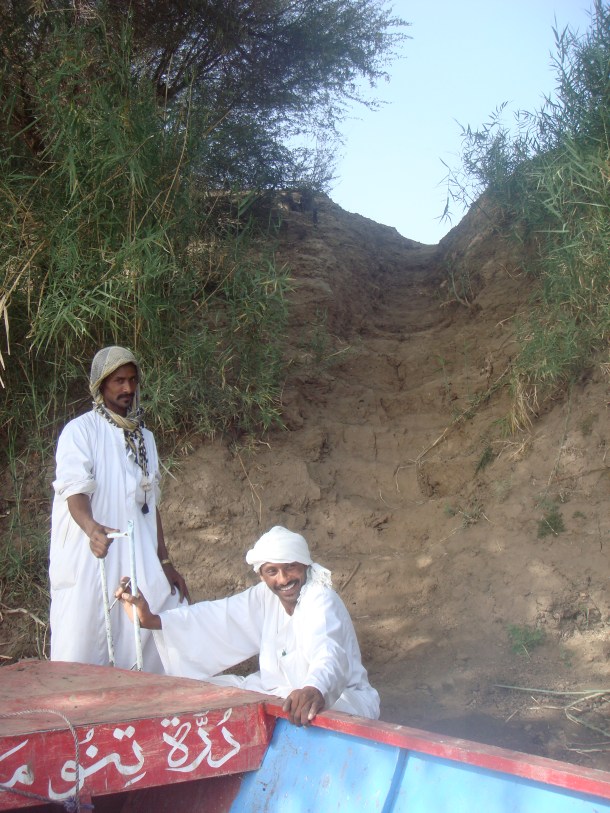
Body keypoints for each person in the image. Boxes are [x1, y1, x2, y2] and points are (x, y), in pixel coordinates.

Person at [116, 525, 380, 726]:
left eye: (291, 568)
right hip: (279, 693)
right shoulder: (264, 596)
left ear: (305, 565)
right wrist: (152, 620)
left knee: (317, 717)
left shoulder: (320, 600)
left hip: (339, 698)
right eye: (272, 572)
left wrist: (315, 688)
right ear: (261, 574)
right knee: (204, 696)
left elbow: (329, 652)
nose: (284, 579)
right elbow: (218, 618)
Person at [49, 345, 189, 672]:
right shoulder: (80, 432)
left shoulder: (146, 439)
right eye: (118, 381)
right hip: (92, 554)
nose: (127, 389)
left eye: (132, 380)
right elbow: (74, 490)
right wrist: (91, 528)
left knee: (153, 619)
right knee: (82, 638)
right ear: (100, 385)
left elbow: (149, 503)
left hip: (136, 553)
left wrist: (164, 560)